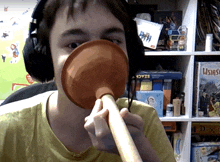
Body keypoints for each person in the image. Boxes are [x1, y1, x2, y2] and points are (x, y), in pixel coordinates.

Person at [0, 0, 176, 161]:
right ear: (46, 57)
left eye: (113, 41)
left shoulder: (144, 121)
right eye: (74, 45)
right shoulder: (6, 129)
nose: (97, 59)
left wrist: (142, 149)